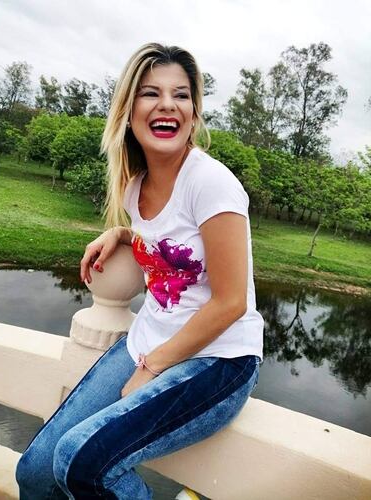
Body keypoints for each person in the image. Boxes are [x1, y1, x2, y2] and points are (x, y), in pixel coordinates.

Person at [15, 42, 264, 500]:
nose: (168, 104)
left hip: (218, 360)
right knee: (34, 472)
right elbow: (169, 239)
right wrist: (122, 233)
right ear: (128, 111)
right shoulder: (134, 186)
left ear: (194, 113)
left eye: (181, 95)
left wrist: (153, 367)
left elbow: (231, 303)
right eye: (151, 93)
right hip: (148, 340)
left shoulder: (212, 183)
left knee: (79, 463)